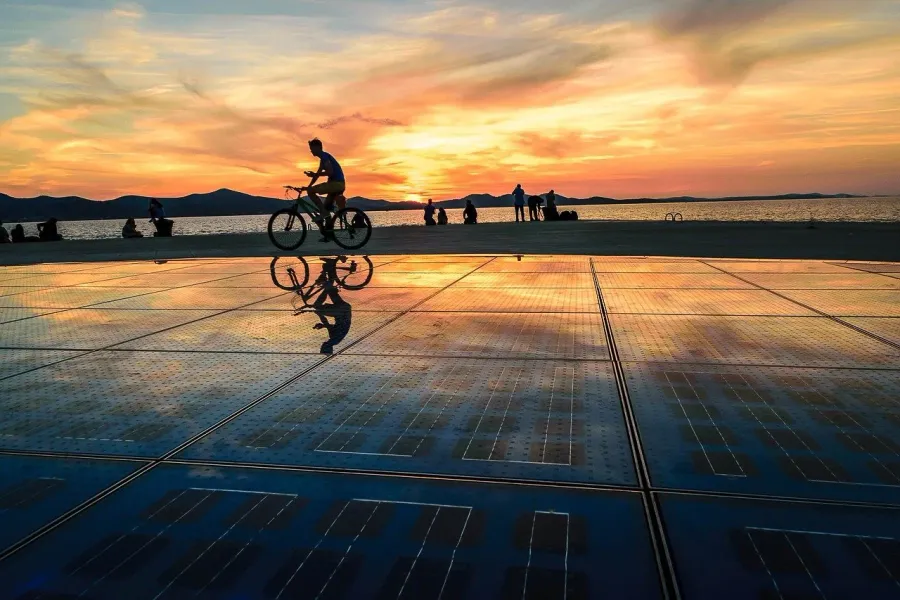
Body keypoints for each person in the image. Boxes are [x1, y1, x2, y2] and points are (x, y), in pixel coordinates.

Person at [303, 138, 346, 224]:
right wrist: (309, 186)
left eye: (312, 148)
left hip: (336, 184)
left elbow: (330, 172)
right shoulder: (323, 159)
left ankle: (323, 213)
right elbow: (317, 175)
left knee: (311, 192)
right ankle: (329, 229)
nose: (311, 151)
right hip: (338, 185)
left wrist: (310, 186)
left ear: (317, 147)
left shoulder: (324, 156)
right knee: (326, 209)